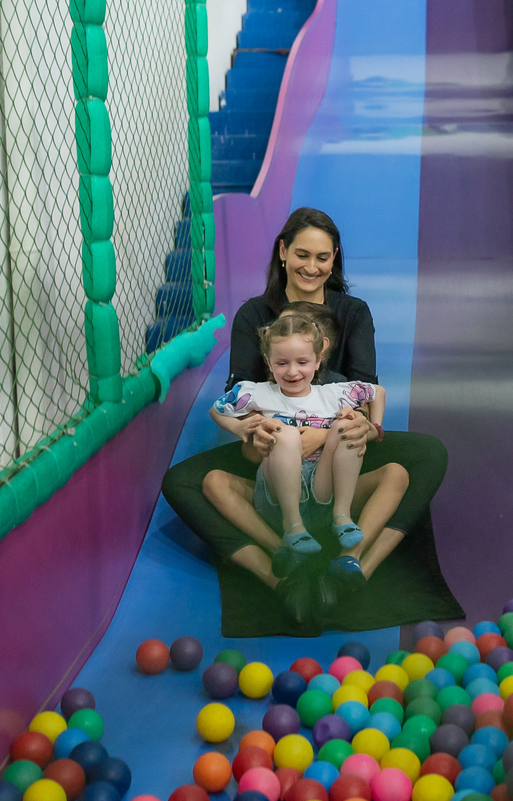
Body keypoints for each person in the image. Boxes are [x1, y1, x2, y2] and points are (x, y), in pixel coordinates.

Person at [160, 206, 448, 621]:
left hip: (338, 452)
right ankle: (283, 566)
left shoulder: (352, 312)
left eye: (322, 257)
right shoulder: (254, 315)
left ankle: (354, 567)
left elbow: (365, 392)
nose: (311, 267)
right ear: (282, 252)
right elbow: (235, 399)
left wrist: (344, 430)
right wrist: (253, 432)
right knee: (182, 482)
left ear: (334, 260)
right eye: (302, 255)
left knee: (428, 454)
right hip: (275, 451)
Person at [211, 314, 384, 584]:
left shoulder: (333, 393)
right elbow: (217, 409)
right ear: (268, 362)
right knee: (286, 434)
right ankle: (292, 525)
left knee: (346, 427)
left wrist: (372, 426)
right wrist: (238, 428)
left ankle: (342, 515)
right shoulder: (258, 392)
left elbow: (377, 392)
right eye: (282, 363)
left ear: (318, 361)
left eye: (302, 362)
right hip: (275, 495)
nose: (292, 372)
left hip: (321, 490)